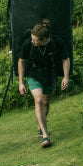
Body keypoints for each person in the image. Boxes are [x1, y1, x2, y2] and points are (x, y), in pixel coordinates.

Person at [17, 19, 69, 148]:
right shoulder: (27, 44)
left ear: (45, 39)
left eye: (35, 40)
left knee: (46, 102)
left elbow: (65, 58)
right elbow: (21, 61)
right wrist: (20, 82)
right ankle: (45, 135)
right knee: (39, 100)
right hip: (33, 73)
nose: (32, 41)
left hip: (49, 73)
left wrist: (66, 77)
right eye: (32, 38)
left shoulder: (56, 42)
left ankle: (41, 126)